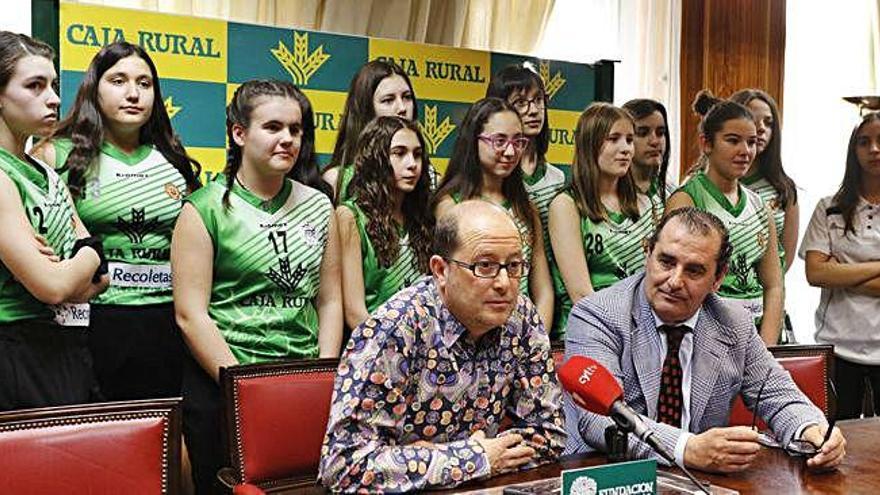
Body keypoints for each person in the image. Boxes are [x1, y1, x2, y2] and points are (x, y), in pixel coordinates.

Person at [564, 207, 846, 473]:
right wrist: (687, 448)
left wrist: (813, 432)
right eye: (666, 261)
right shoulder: (598, 315)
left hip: (699, 483)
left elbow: (779, 396)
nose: (674, 281)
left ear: (718, 278)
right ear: (647, 253)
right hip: (608, 476)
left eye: (694, 270)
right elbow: (598, 420)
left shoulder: (732, 322)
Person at [320, 200, 566, 492]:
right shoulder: (394, 329)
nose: (504, 283)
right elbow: (345, 466)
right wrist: (472, 457)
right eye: (485, 266)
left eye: (513, 266)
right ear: (440, 270)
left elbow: (548, 434)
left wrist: (448, 459)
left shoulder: (520, 317)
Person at [172, 79, 342, 494]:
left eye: (296, 129)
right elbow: (190, 315)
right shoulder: (205, 208)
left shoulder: (321, 205)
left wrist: (320, 378)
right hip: (223, 389)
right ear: (239, 133)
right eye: (273, 127)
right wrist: (243, 388)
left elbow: (330, 299)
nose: (287, 139)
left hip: (301, 385)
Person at [31, 42, 201, 401]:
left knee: (162, 437)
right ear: (95, 87)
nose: (133, 93)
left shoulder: (174, 159)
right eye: (118, 80)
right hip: (89, 321)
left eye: (145, 83)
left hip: (164, 320)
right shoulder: (56, 154)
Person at [0, 31, 108, 410]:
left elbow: (99, 276)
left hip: (63, 345)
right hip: (13, 350)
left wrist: (81, 261)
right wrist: (85, 258)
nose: (55, 99)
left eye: (54, 85)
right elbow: (52, 286)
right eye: (35, 86)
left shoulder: (47, 173)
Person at [667, 92, 783, 346]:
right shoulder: (687, 200)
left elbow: (774, 285)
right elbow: (675, 279)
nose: (745, 151)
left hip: (754, 336)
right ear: (706, 143)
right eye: (733, 141)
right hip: (703, 336)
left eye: (751, 142)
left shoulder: (760, 207)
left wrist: (767, 349)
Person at [433, 97, 554, 329]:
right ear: (474, 141)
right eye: (499, 141)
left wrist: (537, 337)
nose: (510, 151)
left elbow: (544, 290)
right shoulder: (451, 205)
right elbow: (449, 288)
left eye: (518, 141)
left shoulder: (526, 208)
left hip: (524, 331)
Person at [548, 103, 656, 335]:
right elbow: (581, 294)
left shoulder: (647, 205)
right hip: (586, 331)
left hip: (641, 330)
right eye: (613, 139)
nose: (626, 148)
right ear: (590, 144)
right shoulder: (566, 205)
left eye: (629, 139)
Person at [801, 112, 880, 419]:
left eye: (879, 141)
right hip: (838, 346)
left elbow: (828, 272)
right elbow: (815, 273)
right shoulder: (829, 207)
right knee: (838, 438)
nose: (873, 149)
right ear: (853, 150)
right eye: (864, 142)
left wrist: (840, 272)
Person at [337, 116, 434, 330]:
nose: (412, 164)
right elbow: (354, 312)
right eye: (399, 153)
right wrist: (392, 348)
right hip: (375, 345)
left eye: (417, 155)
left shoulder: (425, 216)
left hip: (427, 345)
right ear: (376, 159)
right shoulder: (351, 216)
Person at [322, 59, 435, 202]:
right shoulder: (336, 180)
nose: (402, 108)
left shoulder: (427, 178)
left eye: (407, 97)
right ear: (366, 110)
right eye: (388, 100)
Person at [486, 63, 566, 258]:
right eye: (521, 102)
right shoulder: (496, 176)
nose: (534, 110)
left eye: (538, 100)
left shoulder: (557, 177)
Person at [622, 98, 673, 208]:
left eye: (660, 133)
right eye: (642, 133)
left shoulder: (673, 193)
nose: (655, 141)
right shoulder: (609, 195)